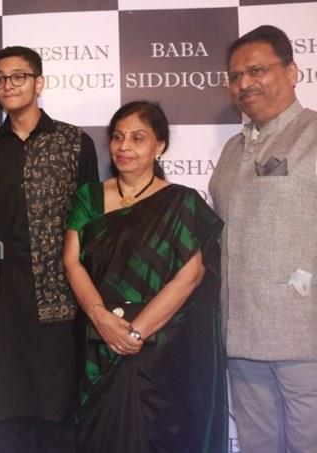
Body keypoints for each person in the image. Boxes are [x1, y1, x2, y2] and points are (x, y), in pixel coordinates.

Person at [63, 101, 227, 452]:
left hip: (161, 348)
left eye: (137, 138)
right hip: (99, 341)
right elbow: (72, 262)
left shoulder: (181, 202)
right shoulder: (89, 197)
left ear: (159, 146)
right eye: (117, 137)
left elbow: (190, 276)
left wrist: (135, 333)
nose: (124, 147)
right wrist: (101, 318)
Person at [0, 45, 99, 453]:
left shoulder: (74, 143)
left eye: (18, 76)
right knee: (2, 417)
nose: (8, 85)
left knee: (56, 417)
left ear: (38, 83)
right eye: (0, 78)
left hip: (57, 303)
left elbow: (90, 226)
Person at [210, 25, 317, 453]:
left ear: (292, 72)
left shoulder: (313, 134)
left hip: (303, 334)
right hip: (239, 333)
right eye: (236, 76)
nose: (244, 83)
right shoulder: (232, 150)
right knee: (258, 445)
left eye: (257, 70)